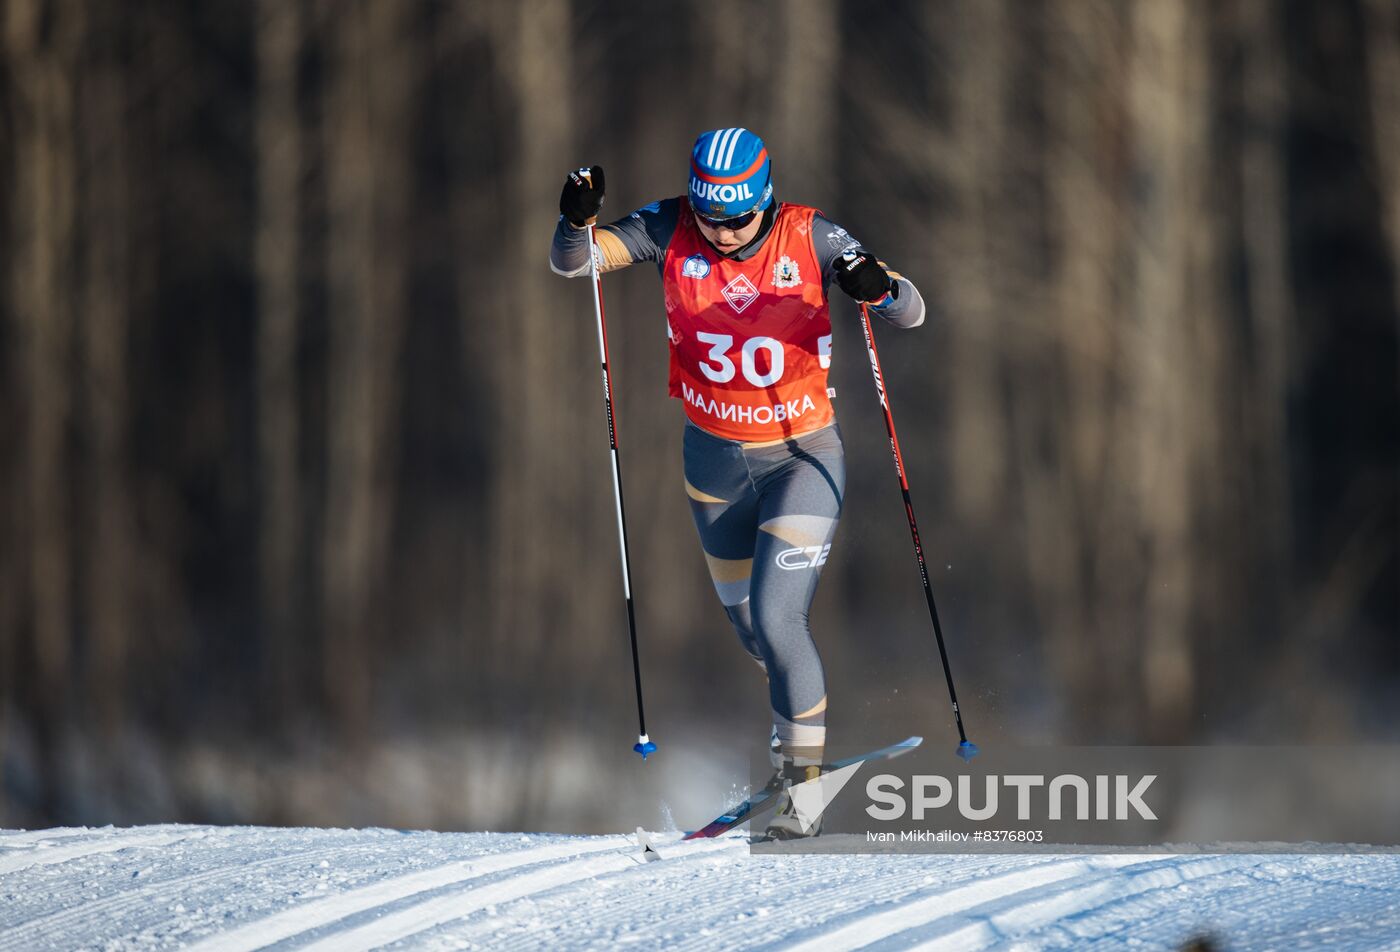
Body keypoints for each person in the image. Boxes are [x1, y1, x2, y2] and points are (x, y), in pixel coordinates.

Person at [550, 128, 926, 837]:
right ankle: (797, 712)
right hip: (714, 465)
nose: (722, 233)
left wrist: (880, 289)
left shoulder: (810, 236)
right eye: (710, 218)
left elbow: (910, 308)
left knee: (781, 618)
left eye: (738, 219)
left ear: (764, 201)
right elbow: (576, 264)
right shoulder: (669, 227)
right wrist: (575, 220)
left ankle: (798, 787)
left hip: (801, 459)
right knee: (753, 629)